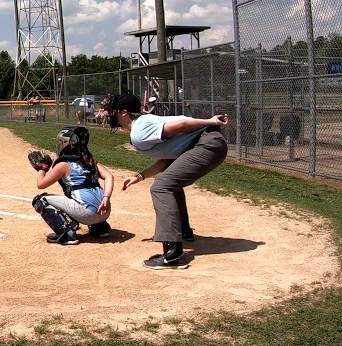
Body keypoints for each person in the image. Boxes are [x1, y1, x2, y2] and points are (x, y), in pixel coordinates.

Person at [109, 92, 229, 271]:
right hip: (207, 143)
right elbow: (167, 159)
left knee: (161, 187)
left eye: (115, 111)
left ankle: (173, 254)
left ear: (124, 112)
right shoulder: (143, 125)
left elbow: (182, 125)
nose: (111, 115)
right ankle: (183, 231)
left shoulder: (139, 131)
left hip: (207, 144)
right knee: (168, 182)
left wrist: (211, 121)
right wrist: (140, 176)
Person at [31, 125, 115, 245]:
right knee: (82, 193)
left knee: (40, 200)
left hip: (87, 214)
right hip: (105, 211)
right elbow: (109, 176)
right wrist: (106, 197)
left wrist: (42, 169)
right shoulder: (89, 160)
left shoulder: (63, 164)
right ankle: (100, 228)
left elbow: (41, 184)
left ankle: (67, 235)